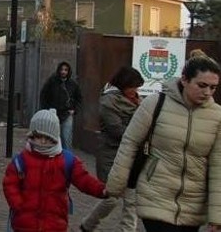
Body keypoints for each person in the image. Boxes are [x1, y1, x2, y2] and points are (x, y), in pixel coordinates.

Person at [105, 50, 221, 232]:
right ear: (184, 80)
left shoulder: (217, 116)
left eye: (213, 88)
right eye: (202, 85)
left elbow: (218, 165)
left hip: (193, 204)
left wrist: (217, 218)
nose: (207, 92)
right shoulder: (154, 103)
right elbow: (130, 142)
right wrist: (116, 184)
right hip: (155, 194)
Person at [3, 109, 107, 232]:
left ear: (55, 138)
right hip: (25, 223)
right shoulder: (21, 160)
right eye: (38, 137)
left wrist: (101, 189)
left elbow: (83, 179)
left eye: (47, 138)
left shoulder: (67, 160)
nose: (42, 141)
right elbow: (10, 184)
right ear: (31, 136)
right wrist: (18, 205)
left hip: (54, 223)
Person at [80, 66, 145, 232]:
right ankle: (89, 223)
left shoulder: (138, 101)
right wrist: (140, 131)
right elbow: (116, 130)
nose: (135, 91)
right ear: (124, 85)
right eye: (133, 87)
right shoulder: (108, 102)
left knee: (131, 199)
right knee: (111, 197)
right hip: (112, 155)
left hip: (133, 155)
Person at [39, 61, 83, 149]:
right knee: (52, 138)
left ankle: (66, 160)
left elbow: (79, 98)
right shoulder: (52, 82)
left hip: (67, 114)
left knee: (66, 138)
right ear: (58, 70)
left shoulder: (73, 84)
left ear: (68, 71)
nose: (63, 72)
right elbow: (43, 95)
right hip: (53, 114)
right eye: (62, 69)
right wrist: (46, 110)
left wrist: (74, 110)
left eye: (66, 70)